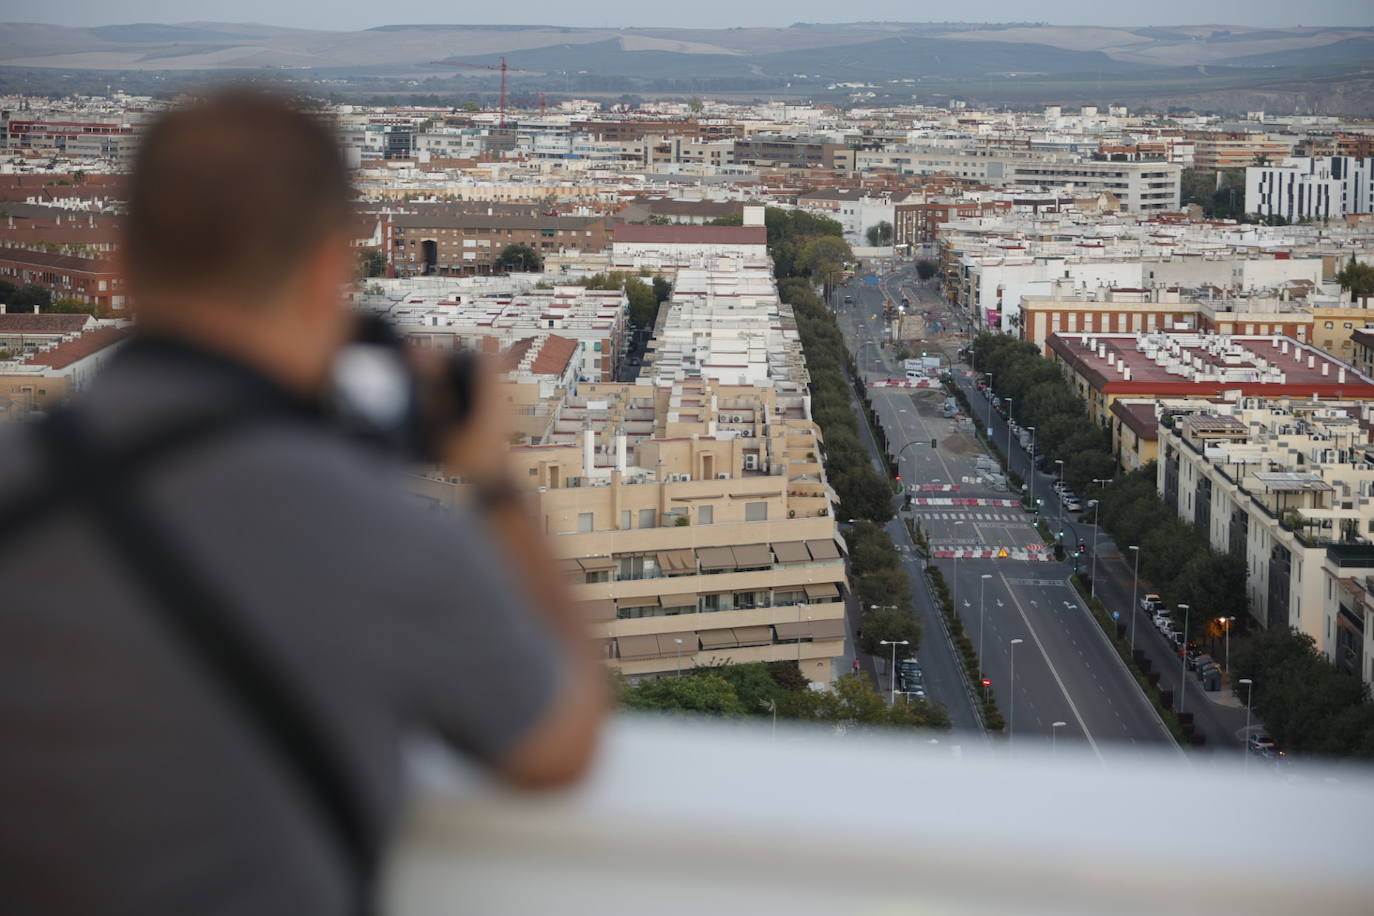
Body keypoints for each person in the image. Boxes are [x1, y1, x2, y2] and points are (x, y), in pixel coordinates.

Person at [0, 89, 606, 915]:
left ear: (123, 262)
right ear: (329, 269)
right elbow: (558, 746)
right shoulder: (383, 533)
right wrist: (494, 482)